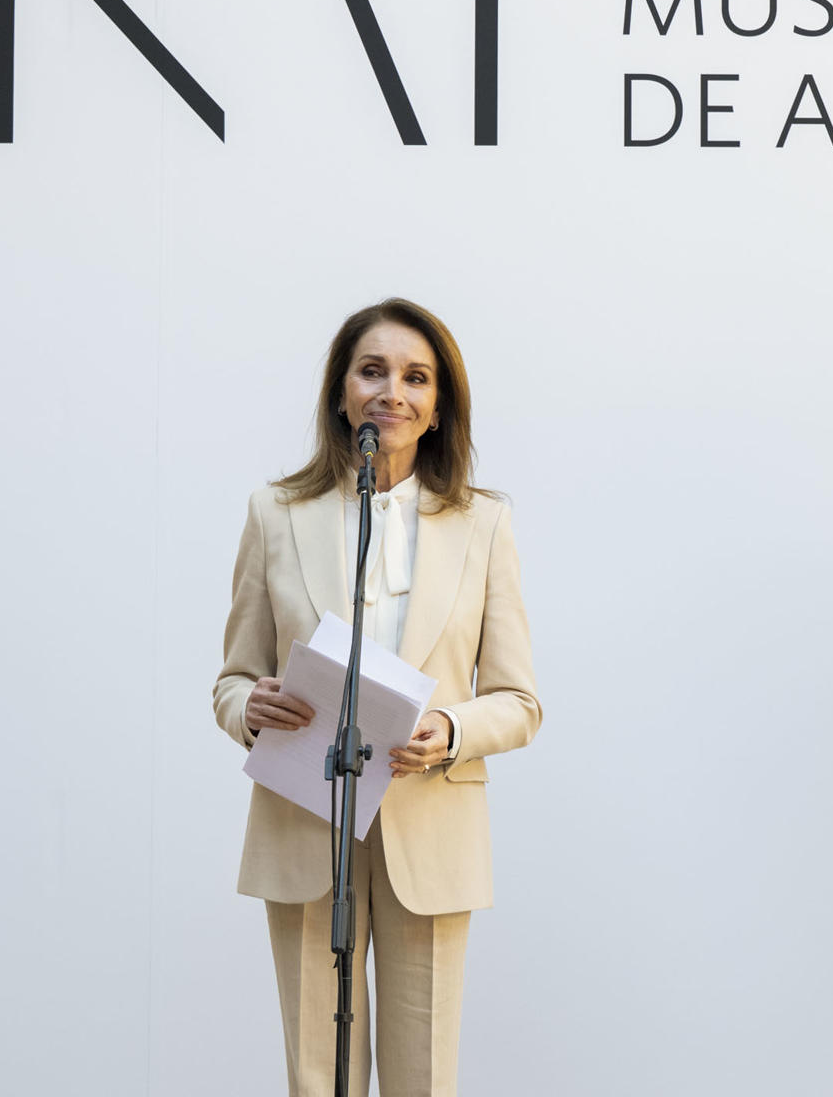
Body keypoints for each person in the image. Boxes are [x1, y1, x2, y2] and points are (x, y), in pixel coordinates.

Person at [212, 298, 541, 1097]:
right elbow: (233, 679)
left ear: (436, 408)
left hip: (429, 824)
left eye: (415, 377)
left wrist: (451, 728)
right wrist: (246, 709)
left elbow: (518, 700)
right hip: (304, 818)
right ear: (341, 393)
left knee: (422, 1076)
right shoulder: (276, 513)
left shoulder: (484, 524)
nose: (392, 390)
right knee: (317, 1076)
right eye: (373, 370)